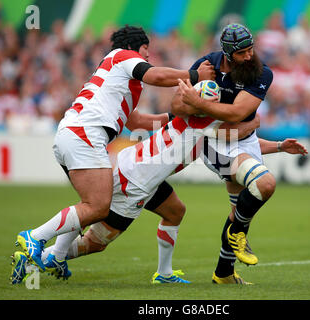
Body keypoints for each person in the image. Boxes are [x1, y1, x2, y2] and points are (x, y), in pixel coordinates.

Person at [12, 25, 215, 273]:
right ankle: (35, 237)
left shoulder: (118, 77)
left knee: (92, 207)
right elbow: (157, 77)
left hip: (76, 134)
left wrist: (174, 116)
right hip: (85, 134)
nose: (148, 55)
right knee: (98, 207)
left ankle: (52, 256)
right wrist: (194, 76)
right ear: (134, 46)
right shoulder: (123, 55)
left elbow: (136, 122)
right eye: (145, 49)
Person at [10, 104, 260, 284]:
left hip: (138, 171)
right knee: (95, 240)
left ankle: (164, 273)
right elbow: (233, 133)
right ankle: (42, 256)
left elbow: (237, 144)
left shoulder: (191, 120)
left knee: (175, 211)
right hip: (135, 182)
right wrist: (254, 123)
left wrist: (280, 146)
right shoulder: (205, 124)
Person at [175, 23, 296, 284]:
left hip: (245, 142)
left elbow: (238, 114)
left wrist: (277, 146)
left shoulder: (262, 73)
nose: (249, 56)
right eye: (242, 53)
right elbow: (177, 104)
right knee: (264, 183)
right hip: (214, 145)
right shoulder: (206, 65)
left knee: (238, 211)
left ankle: (224, 274)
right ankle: (239, 233)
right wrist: (194, 101)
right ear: (228, 55)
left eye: (251, 49)